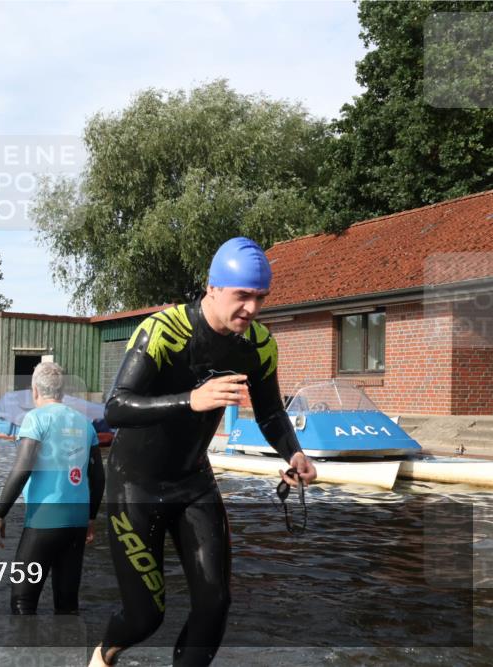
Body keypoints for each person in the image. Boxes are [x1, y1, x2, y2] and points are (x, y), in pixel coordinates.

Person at [89, 237, 317, 667]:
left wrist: (294, 454)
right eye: (242, 296)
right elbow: (116, 408)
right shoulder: (163, 331)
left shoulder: (259, 346)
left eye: (260, 298)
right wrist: (190, 400)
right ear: (212, 288)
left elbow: (270, 414)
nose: (251, 309)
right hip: (135, 485)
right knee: (145, 617)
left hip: (193, 483)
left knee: (215, 604)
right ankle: (103, 656)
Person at [0, 362, 104, 615]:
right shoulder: (85, 424)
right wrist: (91, 518)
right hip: (76, 524)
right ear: (62, 392)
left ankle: (25, 654)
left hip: (43, 521)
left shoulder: (34, 419)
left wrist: (0, 514)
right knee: (67, 604)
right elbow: (98, 478)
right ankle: (69, 652)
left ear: (34, 390)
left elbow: (22, 469)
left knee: (22, 602)